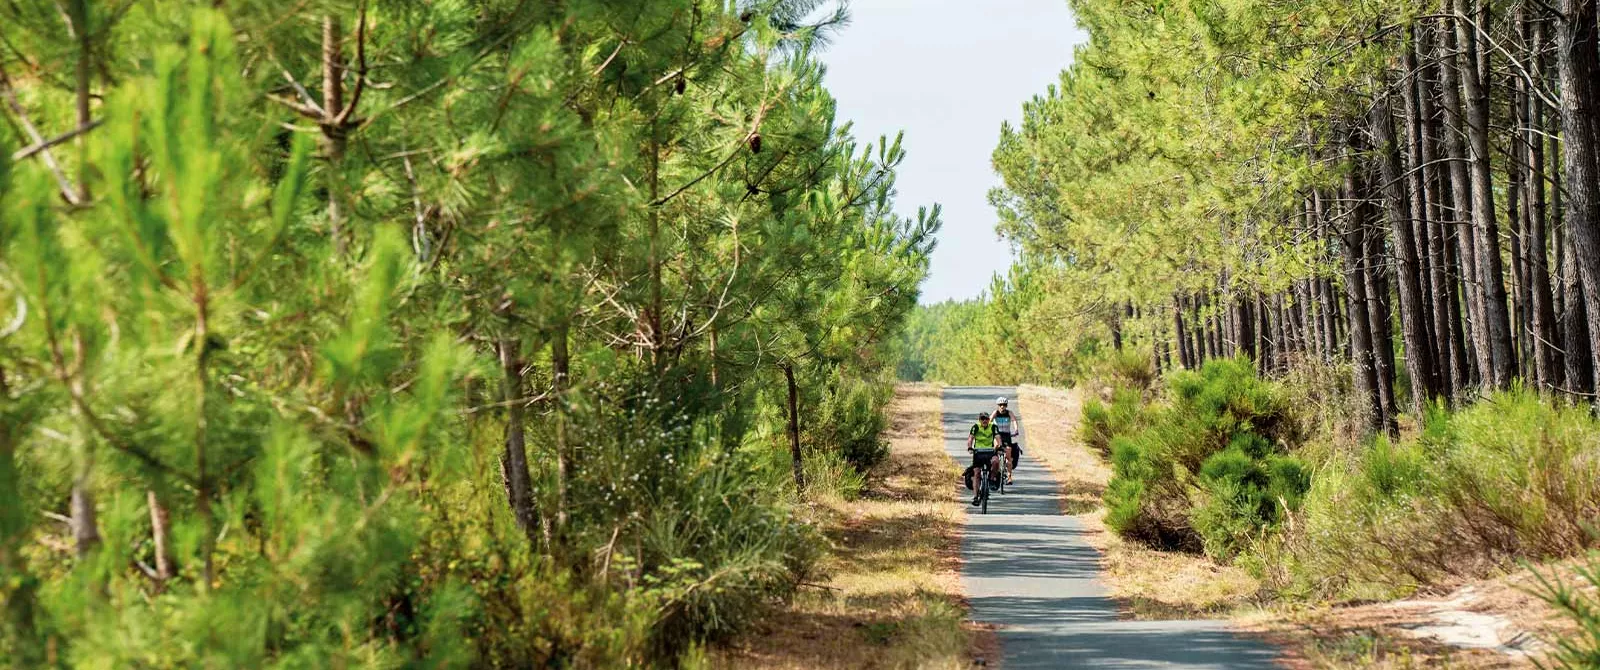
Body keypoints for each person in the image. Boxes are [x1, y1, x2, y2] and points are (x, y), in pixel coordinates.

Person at [964, 412, 999, 506]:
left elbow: (998, 438)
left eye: (986, 419)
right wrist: (970, 447)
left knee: (996, 462)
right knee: (976, 473)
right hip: (978, 453)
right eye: (982, 419)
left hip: (990, 452)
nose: (984, 421)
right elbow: (970, 438)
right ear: (979, 420)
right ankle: (976, 497)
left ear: (989, 420)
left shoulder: (993, 427)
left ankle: (991, 479)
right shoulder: (975, 427)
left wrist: (999, 446)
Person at [992, 397, 1022, 484]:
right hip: (997, 435)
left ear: (1006, 406)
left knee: (1008, 456)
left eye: (1004, 405)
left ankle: (1009, 477)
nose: (1002, 406)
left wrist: (1016, 430)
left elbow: (1014, 421)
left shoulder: (1009, 413)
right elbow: (990, 420)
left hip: (1006, 436)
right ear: (998, 405)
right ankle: (994, 470)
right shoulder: (996, 412)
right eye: (1000, 405)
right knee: (995, 448)